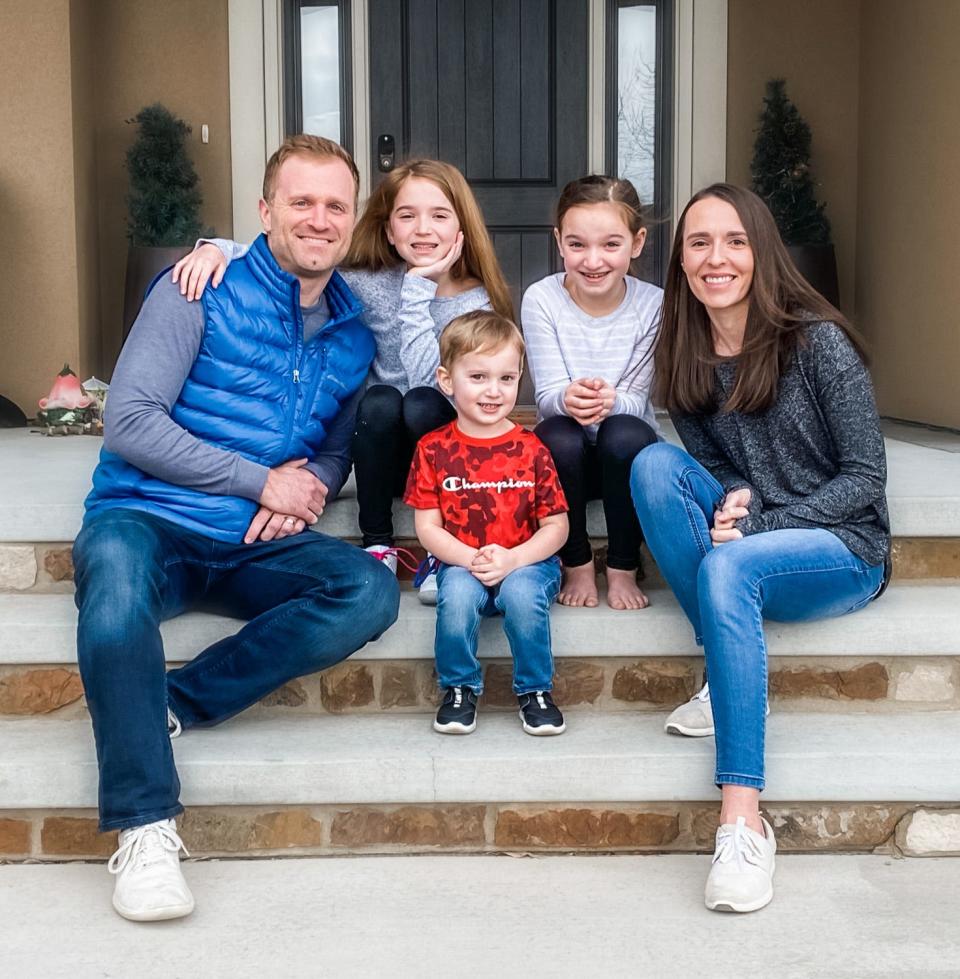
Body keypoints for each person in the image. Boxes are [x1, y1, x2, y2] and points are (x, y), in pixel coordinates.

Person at [73, 135, 400, 922]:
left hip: (256, 542)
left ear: (352, 218)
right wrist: (260, 480)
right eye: (301, 201)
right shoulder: (197, 288)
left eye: (335, 205)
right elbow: (129, 422)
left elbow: (330, 442)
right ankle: (147, 826)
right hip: (147, 517)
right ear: (264, 210)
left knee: (366, 587)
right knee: (113, 591)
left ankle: (172, 699)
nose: (319, 219)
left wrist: (315, 484)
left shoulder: (354, 331)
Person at [630, 183, 890, 912]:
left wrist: (760, 525)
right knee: (650, 465)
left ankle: (743, 822)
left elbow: (867, 476)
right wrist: (734, 499)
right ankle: (724, 671)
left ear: (761, 251)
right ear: (680, 260)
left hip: (845, 544)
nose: (717, 258)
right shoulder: (683, 351)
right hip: (758, 533)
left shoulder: (817, 341)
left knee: (732, 560)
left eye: (735, 241)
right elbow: (716, 467)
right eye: (699, 242)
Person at [173, 159, 514, 603]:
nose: (423, 229)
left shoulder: (476, 301)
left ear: (460, 227)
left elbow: (435, 380)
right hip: (382, 456)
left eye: (439, 215)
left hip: (449, 465)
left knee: (423, 401)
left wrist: (417, 291)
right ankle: (378, 541)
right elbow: (295, 257)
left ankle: (444, 549)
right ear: (389, 230)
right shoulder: (364, 282)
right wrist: (217, 247)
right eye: (407, 216)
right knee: (380, 402)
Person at [403, 310, 570, 735]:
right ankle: (459, 688)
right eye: (478, 377)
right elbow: (427, 527)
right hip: (461, 560)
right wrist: (471, 558)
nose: (493, 391)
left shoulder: (532, 448)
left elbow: (557, 527)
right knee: (456, 597)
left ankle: (535, 690)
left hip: (526, 561)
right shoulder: (432, 449)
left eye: (506, 378)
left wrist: (513, 560)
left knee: (522, 596)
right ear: (446, 380)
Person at [521, 175, 661, 611]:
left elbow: (637, 399)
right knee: (556, 433)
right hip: (568, 464)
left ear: (636, 243)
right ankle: (575, 559)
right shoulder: (541, 299)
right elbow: (545, 396)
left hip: (624, 459)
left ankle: (622, 563)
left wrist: (612, 401)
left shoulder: (654, 304)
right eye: (578, 245)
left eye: (611, 245)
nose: (593, 260)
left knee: (625, 431)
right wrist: (567, 398)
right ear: (559, 242)